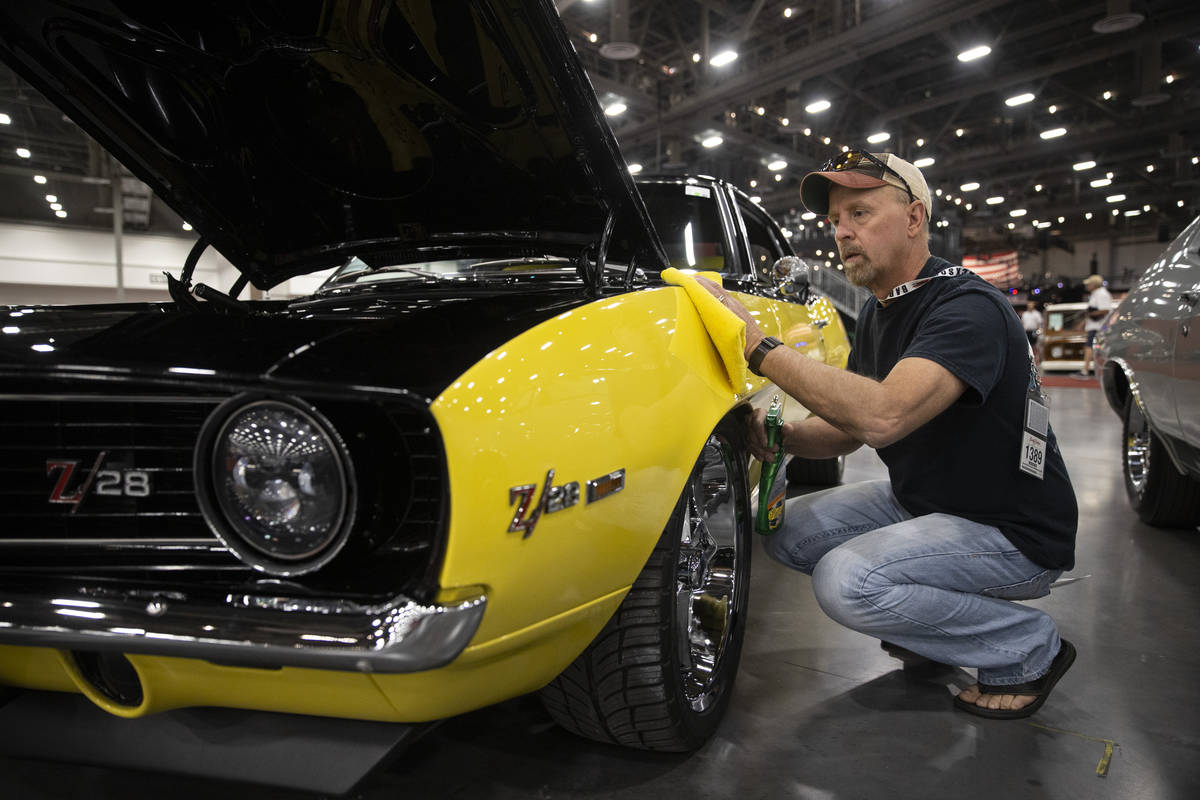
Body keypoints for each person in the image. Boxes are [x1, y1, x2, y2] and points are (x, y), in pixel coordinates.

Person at [698, 150, 1078, 719]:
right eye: (835, 220)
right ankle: (936, 630)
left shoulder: (966, 307)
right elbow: (850, 429)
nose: (841, 232)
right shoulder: (882, 309)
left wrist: (758, 348)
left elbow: (883, 416)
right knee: (785, 531)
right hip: (928, 502)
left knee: (846, 580)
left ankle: (1027, 648)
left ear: (914, 218)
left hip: (1011, 529)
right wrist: (787, 437)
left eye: (860, 213)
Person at [1079, 274, 1113, 378]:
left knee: (1091, 347)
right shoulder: (1096, 294)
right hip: (1095, 327)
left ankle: (1086, 370)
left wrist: (1090, 314)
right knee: (1092, 348)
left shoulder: (1102, 294)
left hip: (1099, 327)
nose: (1087, 286)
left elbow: (1105, 310)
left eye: (1089, 284)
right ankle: (1091, 370)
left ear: (1094, 284)